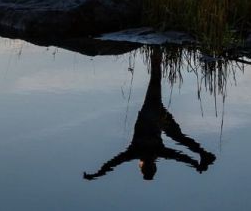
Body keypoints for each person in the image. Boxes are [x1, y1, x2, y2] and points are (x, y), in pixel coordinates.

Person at [82, 46, 216, 181]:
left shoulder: (145, 152)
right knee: (156, 80)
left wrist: (193, 163)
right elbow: (114, 163)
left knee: (178, 136)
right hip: (154, 112)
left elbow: (114, 163)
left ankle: (203, 153)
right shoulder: (138, 152)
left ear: (152, 167)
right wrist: (99, 173)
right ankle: (156, 48)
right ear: (143, 166)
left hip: (156, 115)